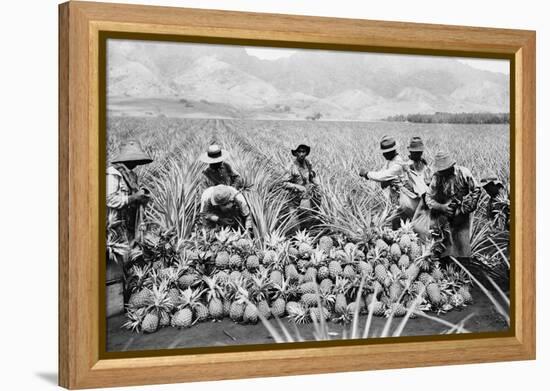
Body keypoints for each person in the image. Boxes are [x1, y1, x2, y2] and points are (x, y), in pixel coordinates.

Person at [425, 151, 481, 260]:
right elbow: (428, 197)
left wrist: (465, 208)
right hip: (444, 215)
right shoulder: (437, 177)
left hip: (461, 216)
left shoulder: (463, 173)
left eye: (445, 170)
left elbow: (477, 190)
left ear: (451, 166)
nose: (443, 172)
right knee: (444, 249)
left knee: (462, 247)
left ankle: (464, 268)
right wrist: (442, 207)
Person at [359, 135, 418, 229]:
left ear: (391, 152)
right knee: (397, 219)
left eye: (385, 153)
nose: (383, 155)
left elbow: (382, 176)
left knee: (399, 220)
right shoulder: (391, 160)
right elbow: (382, 172)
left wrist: (367, 174)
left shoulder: (397, 164)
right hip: (396, 198)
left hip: (403, 198)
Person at [107, 140, 153, 245]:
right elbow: (109, 200)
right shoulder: (113, 174)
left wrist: (143, 195)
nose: (136, 163)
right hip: (114, 226)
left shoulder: (132, 176)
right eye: (134, 160)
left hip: (129, 224)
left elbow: (136, 195)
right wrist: (134, 197)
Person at [281, 144, 320, 230]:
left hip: (305, 197)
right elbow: (283, 183)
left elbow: (311, 176)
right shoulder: (291, 166)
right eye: (299, 151)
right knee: (294, 226)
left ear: (306, 153)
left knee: (307, 221)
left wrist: (316, 184)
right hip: (293, 199)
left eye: (303, 151)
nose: (301, 154)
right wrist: (297, 186)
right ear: (296, 153)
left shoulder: (308, 163)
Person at [405, 136, 432, 240]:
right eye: (414, 152)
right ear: (410, 152)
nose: (417, 154)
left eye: (419, 152)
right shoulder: (406, 166)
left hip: (424, 203)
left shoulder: (426, 167)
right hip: (410, 202)